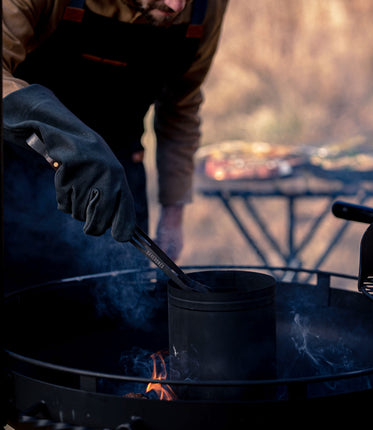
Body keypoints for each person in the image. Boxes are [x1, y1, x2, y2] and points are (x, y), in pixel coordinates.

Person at [2, 0, 229, 288]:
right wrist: (66, 139)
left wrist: (173, 213)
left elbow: (181, 105)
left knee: (123, 314)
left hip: (121, 187)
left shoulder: (207, 8)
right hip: (19, 177)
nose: (176, 5)